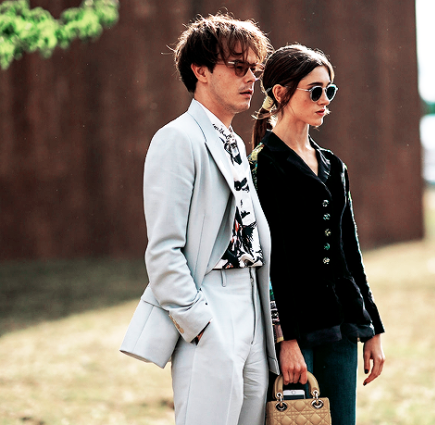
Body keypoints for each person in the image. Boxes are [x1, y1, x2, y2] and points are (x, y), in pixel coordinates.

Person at [122, 14, 278, 425]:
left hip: (252, 304)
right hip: (210, 302)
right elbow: (163, 249)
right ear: (201, 70)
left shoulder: (233, 143)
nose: (251, 79)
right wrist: (200, 325)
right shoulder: (177, 138)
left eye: (255, 70)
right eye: (239, 67)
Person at [249, 44, 385, 425]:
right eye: (315, 90)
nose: (326, 100)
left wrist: (372, 327)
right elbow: (271, 262)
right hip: (296, 332)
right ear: (281, 93)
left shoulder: (334, 165)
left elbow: (349, 252)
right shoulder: (262, 166)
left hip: (341, 323)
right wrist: (285, 341)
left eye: (330, 90)